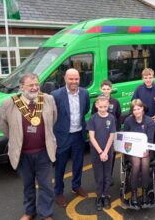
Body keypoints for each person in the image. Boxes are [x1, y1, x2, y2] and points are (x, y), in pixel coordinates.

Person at [0, 73, 57, 220]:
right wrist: (16, 138)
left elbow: (53, 119)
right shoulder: (9, 103)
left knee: (46, 186)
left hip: (44, 152)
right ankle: (30, 212)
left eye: (37, 84)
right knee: (27, 185)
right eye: (31, 85)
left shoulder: (48, 99)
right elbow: (2, 126)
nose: (35, 88)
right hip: (22, 154)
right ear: (21, 87)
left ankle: (46, 213)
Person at [51, 68, 90, 207]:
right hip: (63, 136)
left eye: (76, 79)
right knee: (60, 167)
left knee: (78, 164)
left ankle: (76, 186)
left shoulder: (84, 93)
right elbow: (52, 116)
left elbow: (85, 110)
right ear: (65, 79)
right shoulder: (55, 95)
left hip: (79, 135)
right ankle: (59, 192)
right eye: (71, 79)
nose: (74, 81)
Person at [123, 99, 155, 209]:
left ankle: (145, 193)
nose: (136, 111)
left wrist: (145, 150)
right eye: (134, 109)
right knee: (136, 165)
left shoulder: (149, 121)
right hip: (132, 150)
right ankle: (133, 194)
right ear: (132, 111)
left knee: (145, 164)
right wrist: (131, 150)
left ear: (142, 109)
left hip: (146, 148)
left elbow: (150, 139)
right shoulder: (128, 121)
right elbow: (125, 138)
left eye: (138, 108)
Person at [87, 95, 116, 211]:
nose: (103, 109)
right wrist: (100, 152)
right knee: (99, 176)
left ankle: (105, 195)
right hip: (96, 153)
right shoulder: (93, 118)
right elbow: (92, 137)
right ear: (96, 106)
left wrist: (106, 151)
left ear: (108, 105)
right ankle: (99, 196)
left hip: (108, 151)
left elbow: (112, 135)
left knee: (107, 176)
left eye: (105, 107)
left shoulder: (111, 118)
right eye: (101, 107)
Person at [91, 80, 121, 183]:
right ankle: (101, 177)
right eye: (104, 89)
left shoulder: (115, 102)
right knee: (100, 154)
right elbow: (93, 117)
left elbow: (118, 116)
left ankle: (109, 176)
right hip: (100, 134)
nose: (106, 91)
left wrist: (118, 132)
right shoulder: (97, 102)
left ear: (111, 90)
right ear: (100, 89)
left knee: (111, 155)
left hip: (112, 133)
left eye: (108, 89)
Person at [132, 68, 155, 143]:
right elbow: (133, 104)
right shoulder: (139, 89)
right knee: (142, 143)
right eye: (145, 78)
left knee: (153, 143)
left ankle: (154, 155)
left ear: (153, 77)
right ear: (142, 78)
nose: (148, 80)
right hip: (142, 122)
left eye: (150, 77)